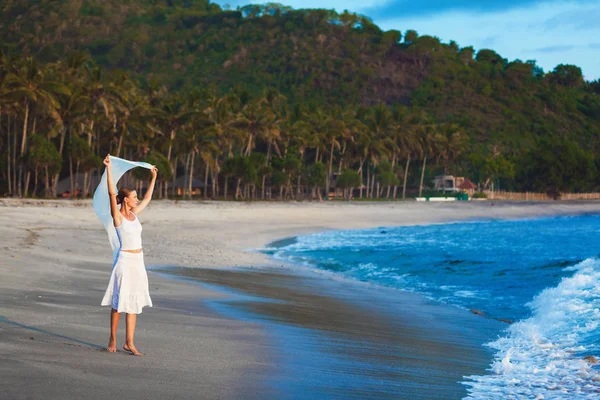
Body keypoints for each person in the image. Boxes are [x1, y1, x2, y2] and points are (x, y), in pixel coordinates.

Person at [100, 154, 157, 356]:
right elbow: (110, 192)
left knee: (132, 303)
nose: (137, 199)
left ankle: (129, 342)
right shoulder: (118, 217)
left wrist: (153, 177)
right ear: (125, 200)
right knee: (119, 304)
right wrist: (108, 169)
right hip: (124, 261)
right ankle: (113, 339)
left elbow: (148, 198)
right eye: (134, 197)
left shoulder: (134, 214)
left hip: (138, 262)